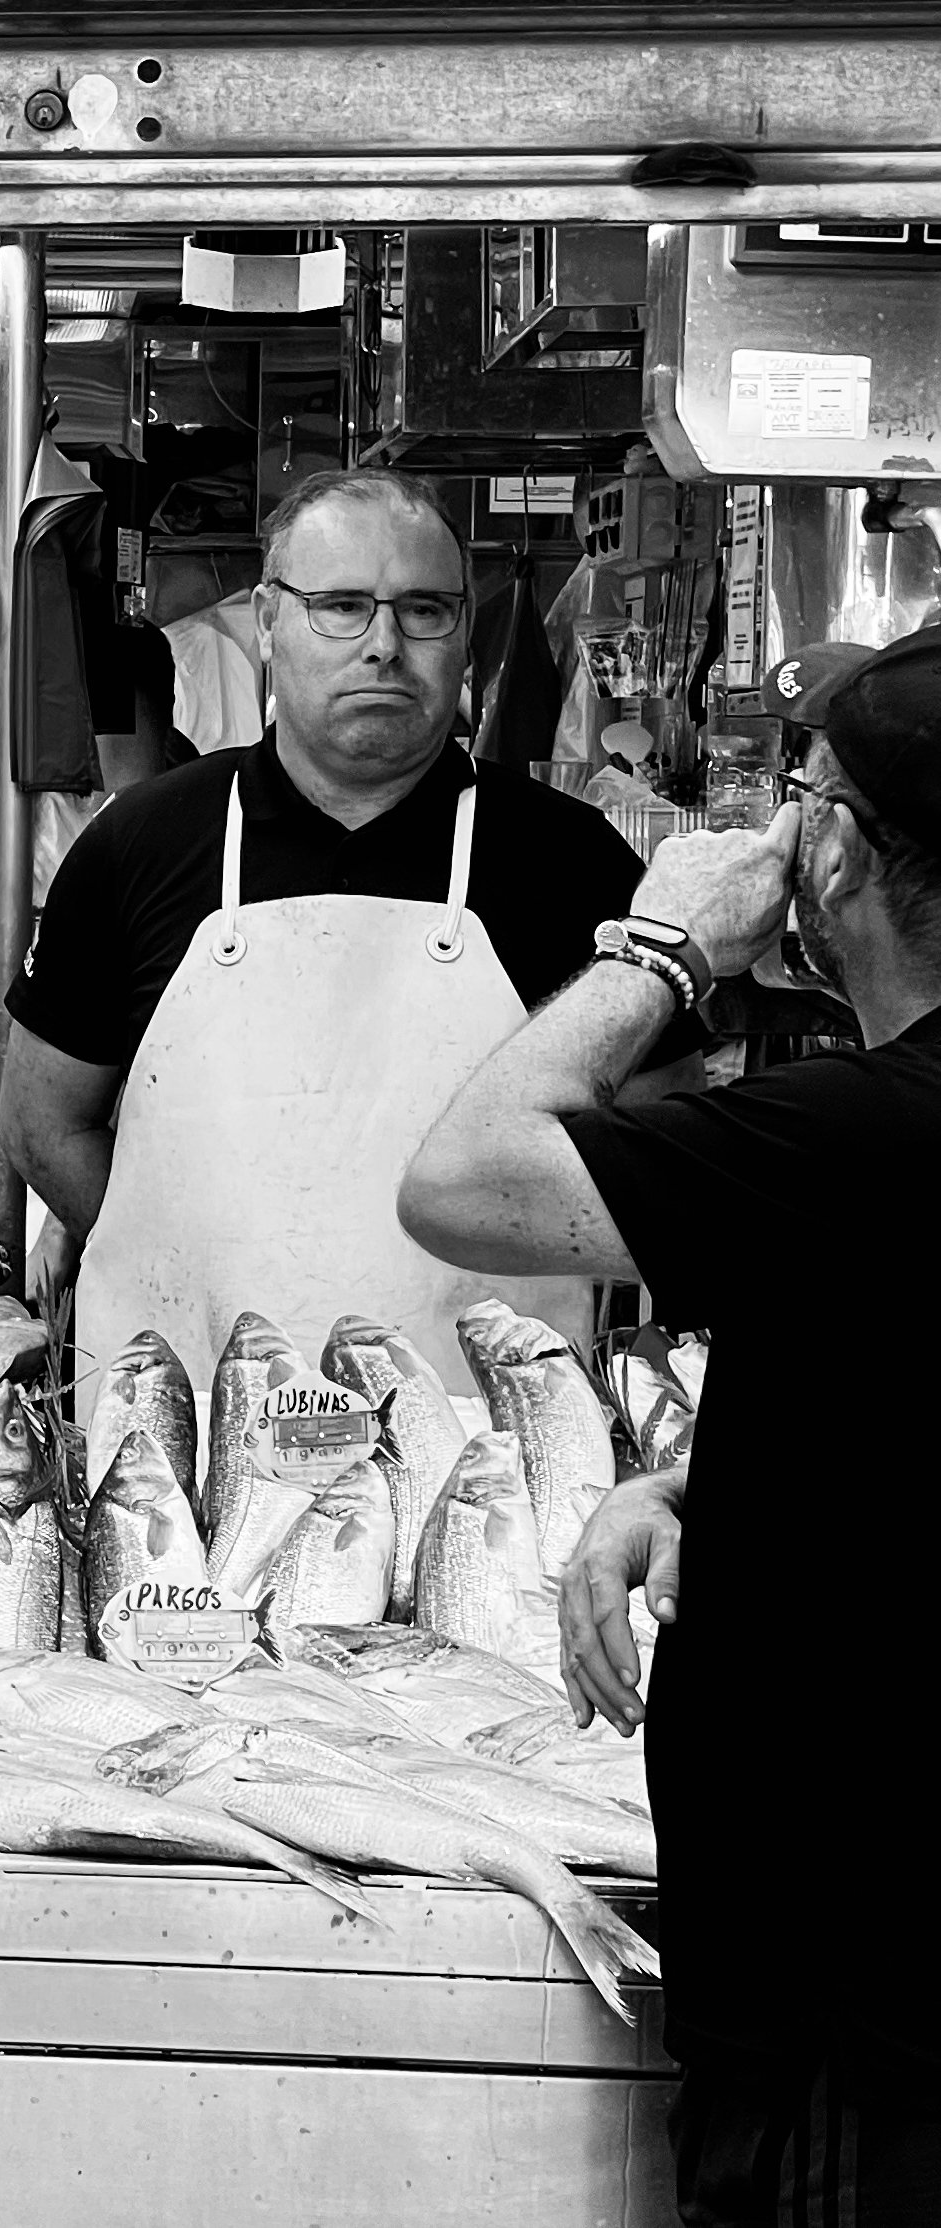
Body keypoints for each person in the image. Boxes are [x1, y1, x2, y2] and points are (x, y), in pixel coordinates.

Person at [397, 628, 941, 2221]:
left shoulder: (860, 1131)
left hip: (862, 2022)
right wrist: (704, 1486)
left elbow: (462, 1180)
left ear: (834, 850)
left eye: (799, 796)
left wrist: (661, 945)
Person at [0, 466, 703, 1398]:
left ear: (464, 635)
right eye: (339, 607)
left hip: (487, 1426)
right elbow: (41, 1123)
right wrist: (188, 1264)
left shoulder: (573, 860)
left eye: (424, 611)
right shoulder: (138, 844)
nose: (383, 646)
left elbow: (651, 1146)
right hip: (189, 1416)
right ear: (267, 621)